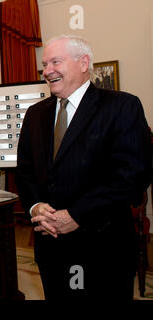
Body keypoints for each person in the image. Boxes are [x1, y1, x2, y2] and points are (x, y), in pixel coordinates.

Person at [16, 35, 151, 300]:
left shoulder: (122, 106)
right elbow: (25, 172)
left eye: (56, 61)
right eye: (45, 64)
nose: (48, 71)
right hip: (50, 247)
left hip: (103, 248)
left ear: (84, 63)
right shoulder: (35, 114)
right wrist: (35, 207)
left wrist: (77, 214)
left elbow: (133, 175)